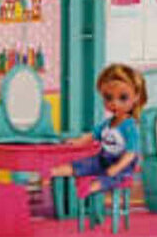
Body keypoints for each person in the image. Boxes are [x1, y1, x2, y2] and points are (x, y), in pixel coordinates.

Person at [53, 62, 146, 196]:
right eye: (108, 98)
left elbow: (131, 153)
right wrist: (78, 142)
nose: (114, 103)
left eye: (123, 98)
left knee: (112, 177)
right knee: (85, 163)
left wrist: (117, 167)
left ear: (135, 97)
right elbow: (93, 135)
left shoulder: (129, 127)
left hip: (123, 163)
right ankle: (53, 171)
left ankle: (90, 187)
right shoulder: (107, 123)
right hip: (104, 158)